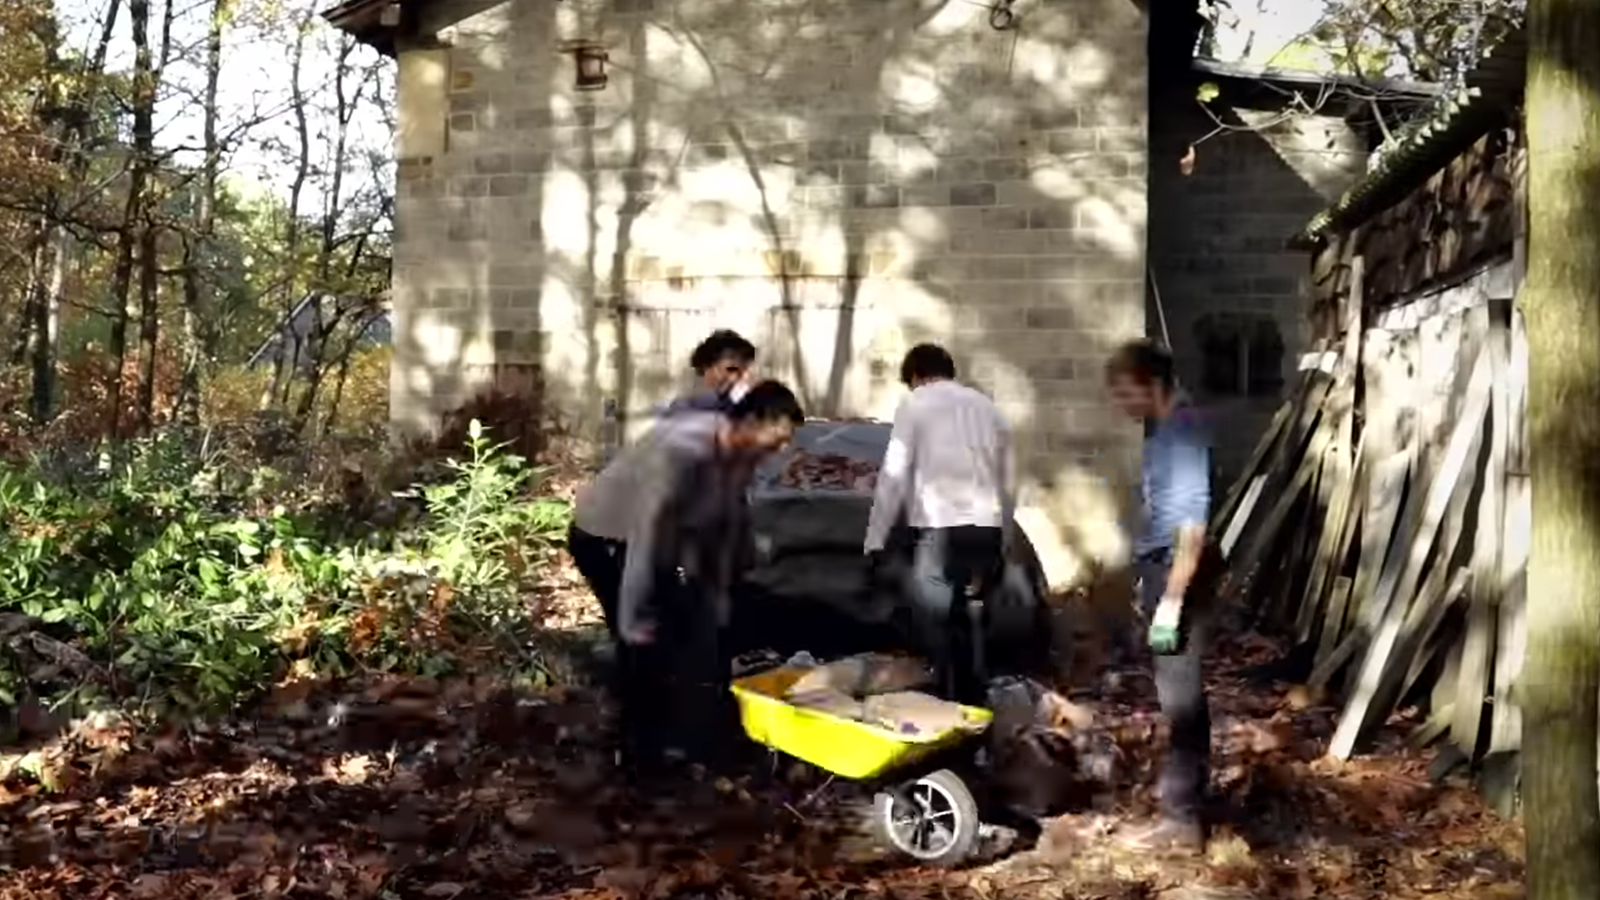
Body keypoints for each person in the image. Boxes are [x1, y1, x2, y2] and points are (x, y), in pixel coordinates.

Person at [570, 379, 805, 775]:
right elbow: (647, 535)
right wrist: (634, 617)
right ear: (752, 422)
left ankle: (685, 735)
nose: (782, 451)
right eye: (778, 440)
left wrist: (737, 575)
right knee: (644, 643)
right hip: (608, 537)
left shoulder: (737, 452)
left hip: (663, 536)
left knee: (692, 628)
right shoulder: (685, 452)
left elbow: (731, 517)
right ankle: (636, 758)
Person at [1103, 339, 1215, 853]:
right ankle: (1182, 807)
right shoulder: (1169, 430)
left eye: (1127, 393)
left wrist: (1171, 600)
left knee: (1182, 701)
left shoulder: (1185, 432)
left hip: (1177, 574)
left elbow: (1193, 527)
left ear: (1153, 385)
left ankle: (1182, 821)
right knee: (1177, 698)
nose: (1122, 404)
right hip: (1161, 572)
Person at [863, 344, 1015, 705]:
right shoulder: (988, 408)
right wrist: (1003, 537)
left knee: (939, 625)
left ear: (916, 377)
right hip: (986, 531)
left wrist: (874, 539)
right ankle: (977, 709)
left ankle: (948, 707)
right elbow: (1008, 479)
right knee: (970, 620)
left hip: (941, 530)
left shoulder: (916, 404)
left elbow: (893, 477)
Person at [660, 329, 758, 415]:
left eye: (742, 372)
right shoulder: (683, 409)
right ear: (706, 367)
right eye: (730, 369)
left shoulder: (739, 406)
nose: (734, 379)